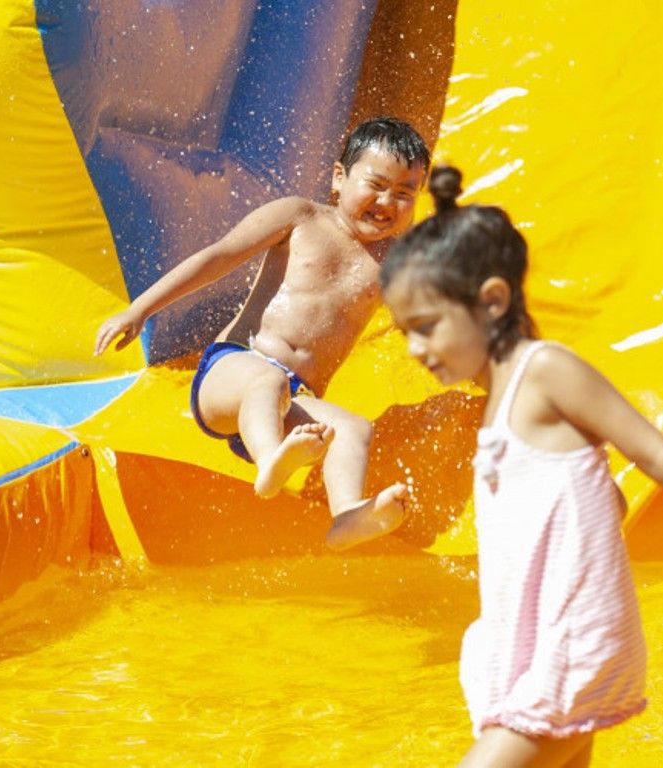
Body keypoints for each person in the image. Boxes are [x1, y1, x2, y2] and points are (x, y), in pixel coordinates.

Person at [379, 205, 663, 767]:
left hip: (570, 646)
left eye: (425, 326)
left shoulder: (542, 371)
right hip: (535, 644)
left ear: (491, 301)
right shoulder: (496, 403)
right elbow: (600, 497)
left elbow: (655, 453)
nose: (415, 349)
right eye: (404, 332)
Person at [94, 116, 431, 551]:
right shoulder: (299, 217)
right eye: (377, 184)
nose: (388, 200)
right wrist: (140, 310)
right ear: (338, 178)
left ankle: (346, 515)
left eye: (405, 193)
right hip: (232, 371)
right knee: (267, 380)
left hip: (295, 402)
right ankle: (272, 461)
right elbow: (219, 257)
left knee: (354, 428)